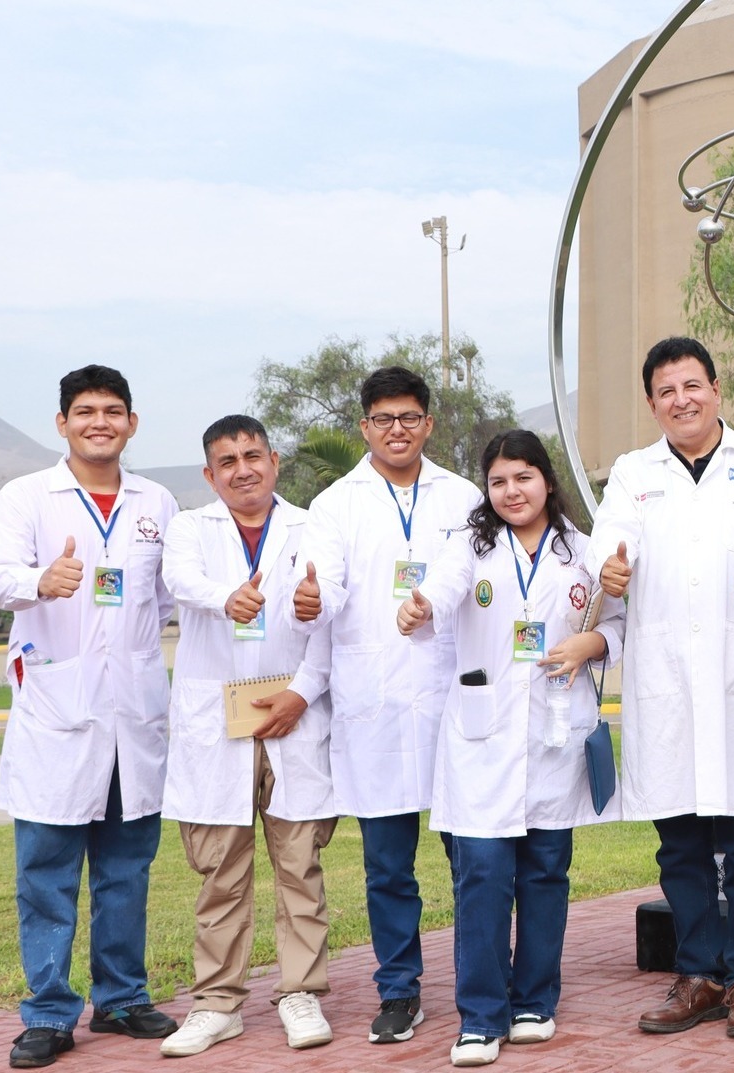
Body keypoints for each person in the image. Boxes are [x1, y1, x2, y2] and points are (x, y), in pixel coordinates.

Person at [584, 336, 734, 1039]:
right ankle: (699, 976)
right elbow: (610, 534)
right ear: (652, 404)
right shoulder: (634, 471)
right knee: (679, 846)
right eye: (666, 392)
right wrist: (608, 566)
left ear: (716, 388)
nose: (682, 400)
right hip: (669, 685)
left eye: (692, 386)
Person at [397, 430, 626, 1067]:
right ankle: (479, 1016)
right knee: (483, 876)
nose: (511, 491)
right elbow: (443, 589)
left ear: (547, 481)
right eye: (497, 481)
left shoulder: (583, 551)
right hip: (483, 738)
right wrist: (420, 608)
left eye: (523, 477)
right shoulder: (468, 547)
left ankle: (534, 1002)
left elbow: (616, 622)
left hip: (554, 732)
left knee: (547, 874)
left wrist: (591, 644)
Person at [0, 365, 180, 1068]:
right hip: (57, 713)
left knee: (127, 870)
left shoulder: (157, 502)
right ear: (62, 422)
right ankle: (48, 1012)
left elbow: (169, 597)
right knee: (48, 874)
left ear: (132, 423)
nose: (101, 422)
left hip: (134, 715)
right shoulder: (26, 497)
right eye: (86, 411)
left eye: (113, 411)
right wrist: (40, 580)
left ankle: (121, 997)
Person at [292, 366, 483, 1044]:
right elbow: (324, 584)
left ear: (428, 423)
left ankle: (480, 984)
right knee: (387, 868)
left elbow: (476, 575)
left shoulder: (463, 496)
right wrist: (311, 599)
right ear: (364, 426)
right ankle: (399, 990)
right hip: (373, 703)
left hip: (451, 696)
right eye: (383, 419)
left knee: (473, 860)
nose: (396, 430)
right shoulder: (334, 504)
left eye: (408, 417)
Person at [155, 415, 337, 1057]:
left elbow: (331, 619)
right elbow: (179, 580)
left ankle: (300, 992)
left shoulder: (312, 527)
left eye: (252, 455)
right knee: (220, 871)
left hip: (294, 714)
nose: (243, 470)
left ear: (274, 461)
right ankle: (216, 1003)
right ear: (210, 476)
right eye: (227, 461)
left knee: (300, 865)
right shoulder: (190, 528)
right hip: (218, 722)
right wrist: (224, 597)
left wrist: (303, 691)